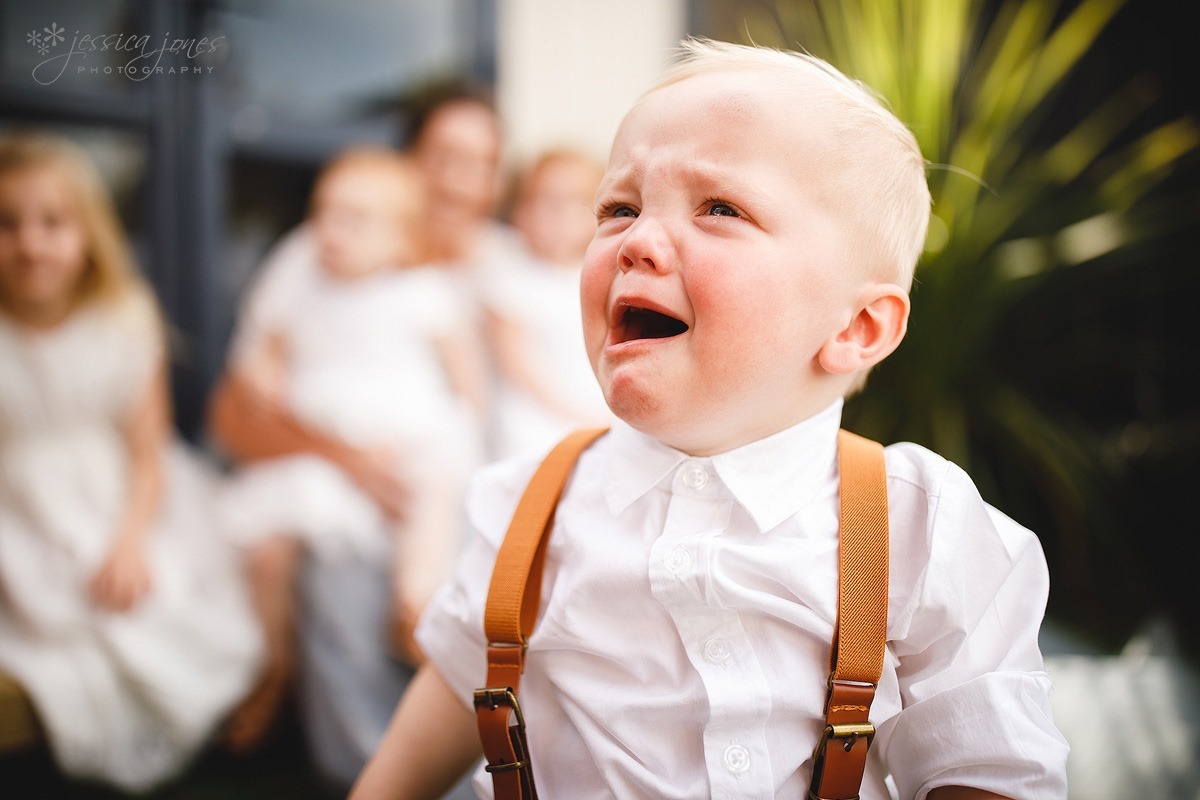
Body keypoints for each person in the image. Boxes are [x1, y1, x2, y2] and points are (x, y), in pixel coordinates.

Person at [349, 38, 1070, 800]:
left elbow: (985, 771)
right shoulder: (533, 506)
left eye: (720, 208)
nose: (637, 242)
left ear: (856, 328)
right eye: (619, 208)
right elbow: (460, 683)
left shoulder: (919, 529)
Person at [210, 148, 486, 780]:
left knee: (430, 499)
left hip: (409, 439)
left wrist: (458, 437)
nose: (329, 231)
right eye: (323, 213)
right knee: (265, 549)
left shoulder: (422, 291)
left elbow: (466, 384)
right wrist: (264, 375)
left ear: (400, 240)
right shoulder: (303, 278)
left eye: (355, 220)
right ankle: (272, 665)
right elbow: (259, 366)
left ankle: (412, 602)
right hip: (325, 452)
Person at [0, 132, 262, 792]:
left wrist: (129, 542)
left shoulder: (124, 317)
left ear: (88, 231)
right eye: (8, 224)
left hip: (118, 502)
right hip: (16, 514)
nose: (31, 243)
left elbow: (147, 452)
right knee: (49, 624)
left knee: (150, 611)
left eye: (52, 223)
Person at [482, 148, 614, 459]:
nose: (560, 212)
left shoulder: (604, 275)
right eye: (547, 200)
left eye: (574, 201)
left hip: (598, 404)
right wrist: (571, 413)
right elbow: (516, 366)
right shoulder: (511, 278)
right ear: (522, 210)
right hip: (535, 414)